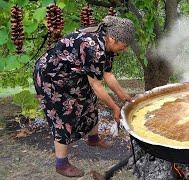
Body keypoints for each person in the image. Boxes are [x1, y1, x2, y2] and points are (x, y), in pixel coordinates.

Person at [33, 16, 135, 177]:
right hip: (52, 77)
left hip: (73, 75)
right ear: (113, 39)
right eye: (124, 46)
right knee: (63, 116)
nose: (126, 49)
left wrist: (123, 96)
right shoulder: (94, 47)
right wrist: (115, 107)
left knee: (89, 102)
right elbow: (96, 85)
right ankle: (61, 163)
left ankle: (93, 139)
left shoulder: (106, 42)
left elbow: (107, 73)